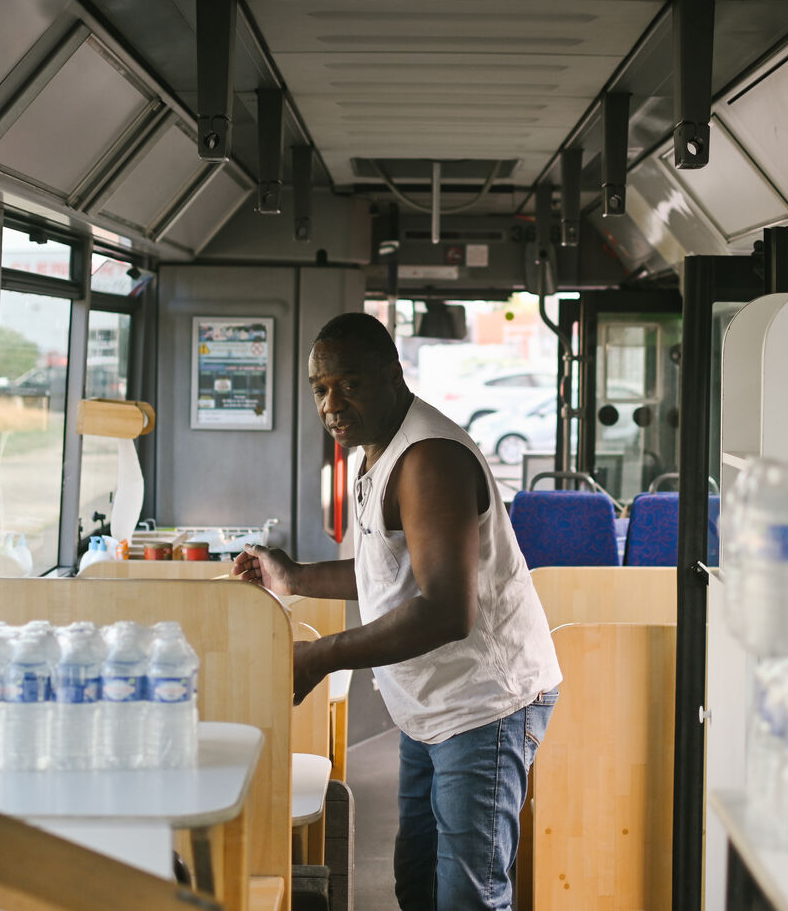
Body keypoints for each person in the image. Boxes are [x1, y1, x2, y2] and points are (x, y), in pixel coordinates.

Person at [232, 312, 561, 911]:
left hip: (483, 706)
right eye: (320, 388)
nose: (331, 404)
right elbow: (386, 575)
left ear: (393, 375)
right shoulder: (377, 449)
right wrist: (294, 577)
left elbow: (446, 611)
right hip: (429, 706)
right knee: (417, 885)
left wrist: (320, 657)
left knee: (467, 898)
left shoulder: (429, 459)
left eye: (349, 384)